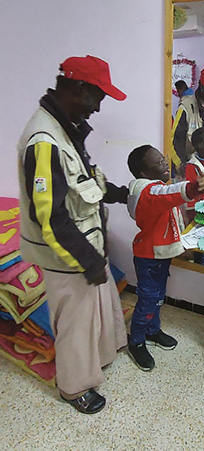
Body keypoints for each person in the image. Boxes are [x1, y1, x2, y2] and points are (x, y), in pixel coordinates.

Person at [17, 55, 128, 414]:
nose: (98, 107)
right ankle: (73, 387)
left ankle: (99, 360)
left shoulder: (67, 129)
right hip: (66, 253)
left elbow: (85, 182)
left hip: (85, 242)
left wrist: (123, 193)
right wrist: (88, 260)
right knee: (76, 325)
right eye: (97, 97)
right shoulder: (45, 140)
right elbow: (49, 217)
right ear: (78, 88)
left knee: (97, 308)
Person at [126, 145, 204, 371]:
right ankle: (135, 341)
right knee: (147, 300)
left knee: (157, 296)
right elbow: (169, 193)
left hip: (158, 253)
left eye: (164, 159)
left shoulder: (153, 188)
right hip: (148, 256)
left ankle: (152, 331)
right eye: (158, 163)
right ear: (144, 173)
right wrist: (193, 187)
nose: (165, 163)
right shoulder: (148, 192)